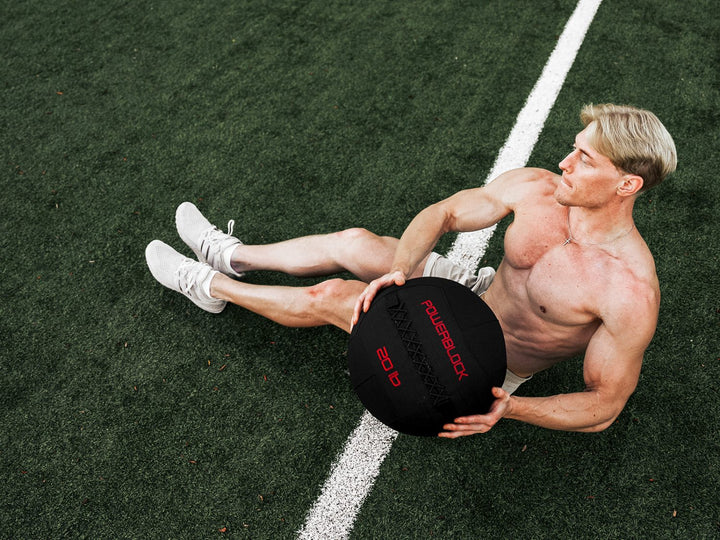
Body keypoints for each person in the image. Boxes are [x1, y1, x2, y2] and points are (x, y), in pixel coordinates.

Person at [146, 103, 676, 438]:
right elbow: (445, 213)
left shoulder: (626, 290)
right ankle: (231, 256)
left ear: (626, 185)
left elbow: (604, 405)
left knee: (333, 296)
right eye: (573, 148)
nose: (564, 161)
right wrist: (399, 272)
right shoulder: (540, 189)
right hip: (470, 295)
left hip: (482, 360)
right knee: (358, 245)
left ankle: (208, 287)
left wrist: (510, 411)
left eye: (584, 159)